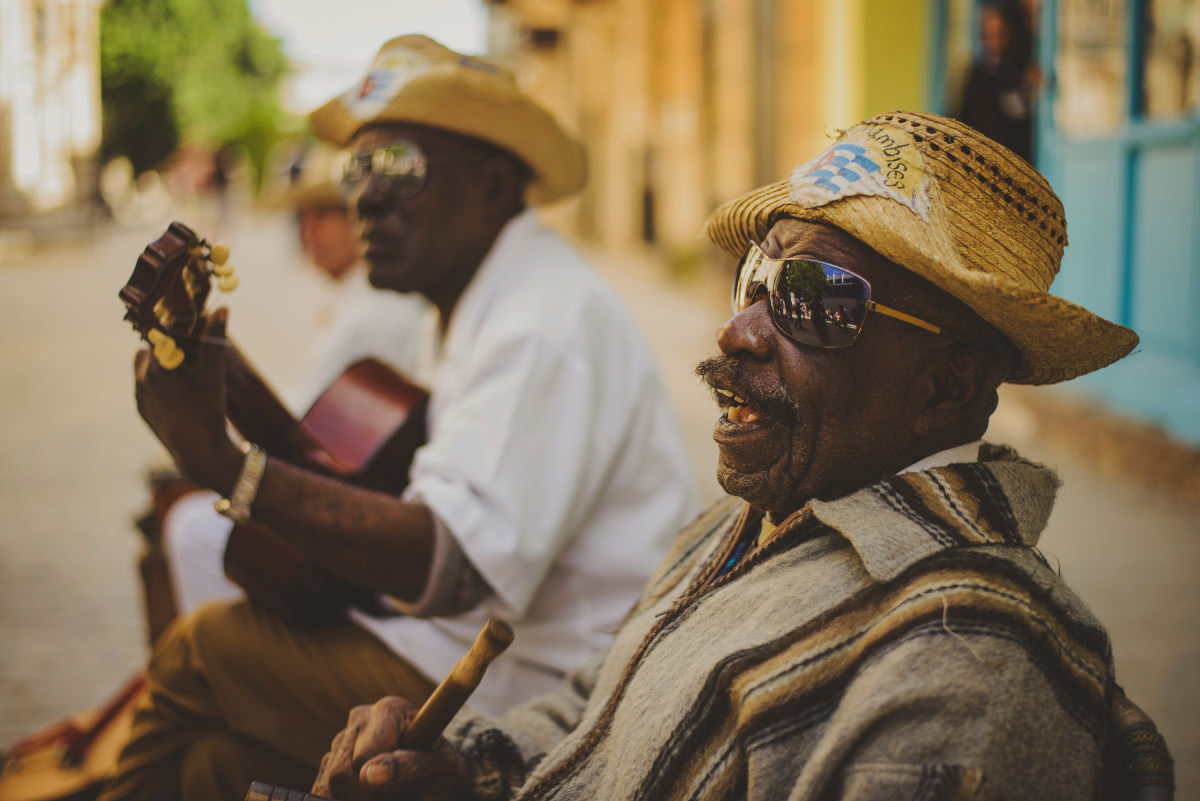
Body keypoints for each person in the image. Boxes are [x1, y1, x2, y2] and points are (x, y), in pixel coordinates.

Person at [312, 110, 1175, 801]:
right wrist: (463, 765)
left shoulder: (970, 665)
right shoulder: (754, 517)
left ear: (948, 386)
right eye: (753, 283)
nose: (738, 330)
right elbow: (603, 705)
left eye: (812, 299)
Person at [100, 34, 700, 801]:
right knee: (213, 767)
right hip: (470, 645)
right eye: (357, 167)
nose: (365, 196)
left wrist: (224, 463)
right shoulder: (471, 301)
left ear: (490, 183)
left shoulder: (543, 321)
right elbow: (401, 498)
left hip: (549, 689)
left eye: (399, 167)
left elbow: (445, 563)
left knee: (205, 649)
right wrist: (241, 396)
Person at [149, 140, 438, 619]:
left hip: (371, 520)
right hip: (361, 493)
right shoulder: (359, 302)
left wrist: (216, 456)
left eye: (324, 215)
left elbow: (299, 435)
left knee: (190, 528)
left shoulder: (371, 314)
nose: (308, 233)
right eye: (300, 218)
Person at [958, 0, 1037, 162]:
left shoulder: (1021, 66)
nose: (995, 43)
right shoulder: (978, 74)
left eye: (1001, 36)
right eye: (988, 37)